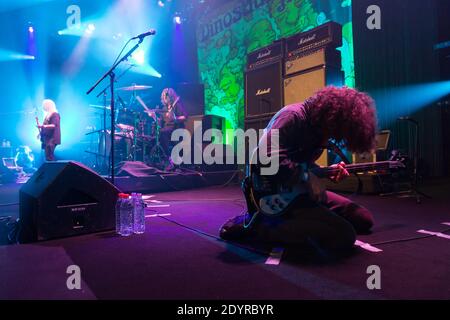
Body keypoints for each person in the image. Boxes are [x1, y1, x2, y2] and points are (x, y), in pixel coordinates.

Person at [220, 86, 377, 256]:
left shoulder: (319, 127)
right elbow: (266, 158)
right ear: (333, 118)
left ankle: (300, 220)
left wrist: (324, 172)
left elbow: (299, 162)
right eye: (337, 132)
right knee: (344, 235)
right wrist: (306, 177)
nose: (334, 137)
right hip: (272, 193)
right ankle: (260, 226)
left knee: (362, 218)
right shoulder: (292, 117)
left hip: (296, 191)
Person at [159, 88, 187, 170]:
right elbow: (160, 123)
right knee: (160, 132)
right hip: (166, 129)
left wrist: (176, 118)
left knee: (163, 133)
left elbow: (185, 116)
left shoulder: (177, 105)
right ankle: (167, 157)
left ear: (170, 96)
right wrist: (153, 116)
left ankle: (170, 157)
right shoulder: (164, 109)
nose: (165, 97)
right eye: (163, 96)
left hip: (176, 128)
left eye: (166, 96)